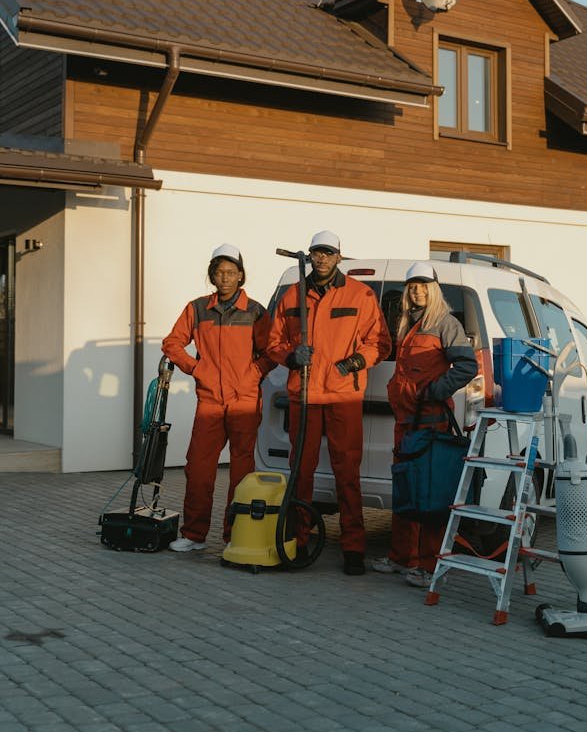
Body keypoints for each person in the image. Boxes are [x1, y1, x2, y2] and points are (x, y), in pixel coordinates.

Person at [266, 230, 391, 575]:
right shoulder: (294, 295)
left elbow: (380, 342)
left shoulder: (360, 294)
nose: (321, 258)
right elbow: (271, 341)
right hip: (304, 395)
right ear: (310, 256)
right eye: (316, 253)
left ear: (339, 256)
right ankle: (298, 540)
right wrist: (291, 356)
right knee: (300, 472)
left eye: (327, 253)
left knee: (346, 473)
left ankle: (353, 546)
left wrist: (356, 361)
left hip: (342, 394)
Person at [372, 261, 478, 588]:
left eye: (422, 286)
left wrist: (436, 391)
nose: (416, 291)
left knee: (430, 495)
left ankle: (429, 565)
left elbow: (466, 365)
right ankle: (402, 557)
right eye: (412, 286)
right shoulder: (409, 325)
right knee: (405, 491)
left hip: (431, 424)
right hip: (406, 422)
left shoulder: (445, 324)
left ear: (433, 290)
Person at [162, 243, 274, 551]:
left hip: (244, 401)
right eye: (219, 272)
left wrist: (254, 373)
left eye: (230, 272)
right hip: (210, 400)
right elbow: (172, 343)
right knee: (198, 467)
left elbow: (273, 351)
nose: (224, 278)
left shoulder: (255, 311)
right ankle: (194, 535)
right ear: (212, 275)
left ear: (240, 275)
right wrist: (197, 369)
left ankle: (234, 537)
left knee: (241, 473)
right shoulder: (197, 308)